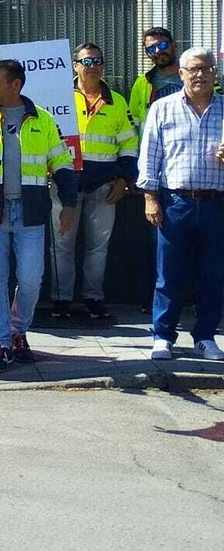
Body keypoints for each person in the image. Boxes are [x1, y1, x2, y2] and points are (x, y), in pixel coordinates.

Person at [0, 59, 77, 374]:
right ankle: (2, 342)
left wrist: (70, 203)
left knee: (31, 278)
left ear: (16, 84)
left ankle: (19, 329)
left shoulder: (43, 119)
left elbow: (61, 162)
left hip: (30, 211)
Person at [137, 47, 224, 360]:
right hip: (175, 202)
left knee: (214, 275)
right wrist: (150, 197)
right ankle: (162, 337)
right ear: (181, 73)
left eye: (206, 68)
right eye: (193, 69)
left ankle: (205, 337)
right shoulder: (163, 108)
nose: (200, 74)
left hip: (216, 203)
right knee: (168, 275)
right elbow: (149, 156)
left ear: (215, 73)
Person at [50, 42, 135, 322]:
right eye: (87, 61)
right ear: (74, 65)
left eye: (98, 61)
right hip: (65, 185)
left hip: (103, 187)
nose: (93, 66)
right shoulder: (58, 96)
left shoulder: (117, 101)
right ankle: (61, 299)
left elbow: (128, 146)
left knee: (98, 247)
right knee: (62, 245)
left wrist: (124, 179)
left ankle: (93, 298)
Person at [129, 26, 184, 125]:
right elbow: (134, 121)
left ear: (174, 45)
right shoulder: (142, 82)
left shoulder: (195, 77)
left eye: (163, 45)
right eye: (151, 49)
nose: (157, 51)